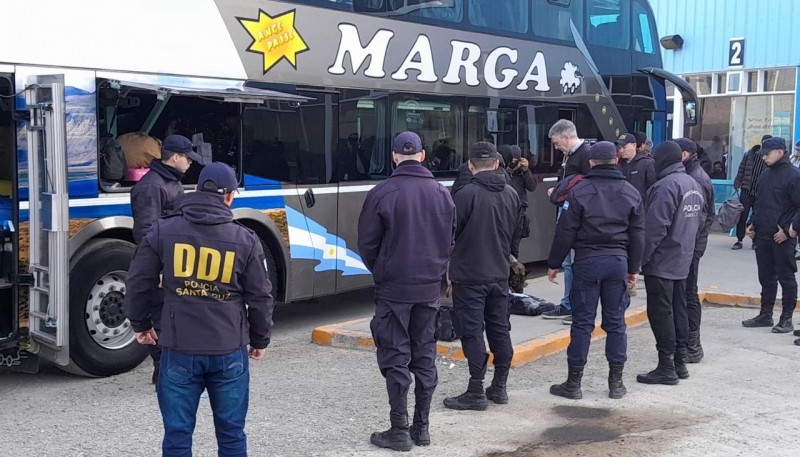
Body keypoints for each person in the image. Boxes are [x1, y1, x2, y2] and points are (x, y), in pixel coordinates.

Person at [125, 162, 274, 456]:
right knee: (231, 433)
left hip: (179, 348)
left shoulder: (163, 230)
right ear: (230, 196)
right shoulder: (245, 239)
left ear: (196, 189)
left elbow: (138, 282)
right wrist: (259, 340)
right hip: (228, 348)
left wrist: (141, 325)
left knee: (177, 434)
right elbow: (260, 296)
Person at [357, 131, 456, 451]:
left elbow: (367, 245)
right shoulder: (442, 193)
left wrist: (383, 272)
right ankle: (422, 428)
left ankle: (399, 429)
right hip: (429, 288)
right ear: (423, 156)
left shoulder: (382, 193)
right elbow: (450, 240)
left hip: (394, 288)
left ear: (395, 156)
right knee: (424, 354)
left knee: (396, 356)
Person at [546, 141, 644, 400]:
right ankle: (616, 384)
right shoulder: (631, 192)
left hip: (588, 262)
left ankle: (574, 383)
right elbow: (638, 234)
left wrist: (554, 263)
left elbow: (565, 230)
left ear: (590, 162)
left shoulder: (580, 191)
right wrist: (633, 268)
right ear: (616, 160)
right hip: (617, 263)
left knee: (582, 324)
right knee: (615, 323)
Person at [443, 141, 521, 412]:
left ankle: (476, 390)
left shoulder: (464, 195)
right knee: (500, 329)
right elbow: (514, 233)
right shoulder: (511, 194)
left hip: (470, 276)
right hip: (499, 274)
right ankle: (499, 386)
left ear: (470, 165)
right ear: (497, 164)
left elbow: (448, 234)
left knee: (472, 332)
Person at [130, 133, 202, 384]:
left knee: (171, 314)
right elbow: (146, 232)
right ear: (176, 157)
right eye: (188, 158)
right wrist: (160, 267)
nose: (191, 163)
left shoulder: (169, 181)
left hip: (171, 260)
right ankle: (162, 369)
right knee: (160, 315)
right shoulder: (152, 186)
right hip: (161, 262)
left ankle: (168, 369)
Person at [637, 141, 703, 386]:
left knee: (661, 313)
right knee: (678, 310)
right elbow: (700, 220)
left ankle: (666, 366)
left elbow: (654, 229)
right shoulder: (692, 184)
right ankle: (679, 363)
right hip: (682, 258)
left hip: (663, 261)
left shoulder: (666, 186)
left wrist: (639, 262)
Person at [741, 137, 800, 335]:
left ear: (780, 152)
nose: (764, 156)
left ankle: (786, 319)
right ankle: (765, 314)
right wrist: (752, 224)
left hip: (782, 236)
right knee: (766, 277)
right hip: (762, 235)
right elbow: (760, 203)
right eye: (762, 153)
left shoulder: (794, 175)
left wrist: (791, 230)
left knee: (786, 277)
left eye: (767, 153)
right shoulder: (765, 175)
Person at [543, 120, 591, 322]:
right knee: (568, 262)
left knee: (573, 262)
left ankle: (572, 305)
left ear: (567, 137)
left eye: (557, 143)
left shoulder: (585, 155)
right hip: (566, 209)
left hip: (576, 214)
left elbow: (587, 186)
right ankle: (568, 303)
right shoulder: (569, 156)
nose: (556, 148)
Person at [675, 138, 715, 363]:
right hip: (690, 245)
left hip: (691, 246)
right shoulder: (692, 174)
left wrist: (688, 244)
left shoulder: (696, 178)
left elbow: (699, 218)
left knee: (689, 294)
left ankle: (693, 344)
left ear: (685, 154)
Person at [732, 135, 772, 250]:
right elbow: (742, 169)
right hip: (746, 190)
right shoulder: (749, 154)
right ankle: (739, 240)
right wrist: (737, 182)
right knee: (742, 216)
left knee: (757, 217)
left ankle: (755, 241)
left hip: (760, 192)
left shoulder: (769, 159)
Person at [498, 144, 536, 258]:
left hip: (519, 213)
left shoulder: (520, 172)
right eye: (511, 161)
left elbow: (532, 186)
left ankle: (513, 271)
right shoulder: (499, 172)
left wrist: (526, 171)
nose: (513, 164)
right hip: (504, 213)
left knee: (514, 246)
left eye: (515, 161)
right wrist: (507, 171)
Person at [616, 133, 656, 201]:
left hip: (639, 207)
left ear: (634, 145)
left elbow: (652, 189)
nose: (621, 150)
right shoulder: (617, 164)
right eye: (619, 147)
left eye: (624, 147)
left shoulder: (647, 163)